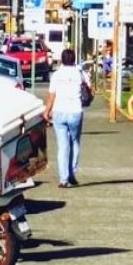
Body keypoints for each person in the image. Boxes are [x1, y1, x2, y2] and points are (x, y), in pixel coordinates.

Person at [44, 47, 89, 189]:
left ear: (62, 60)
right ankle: (71, 173)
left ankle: (63, 179)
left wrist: (47, 111)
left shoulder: (56, 75)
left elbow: (52, 95)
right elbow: (90, 89)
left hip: (59, 111)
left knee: (62, 146)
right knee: (74, 142)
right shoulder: (80, 73)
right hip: (75, 111)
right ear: (74, 59)